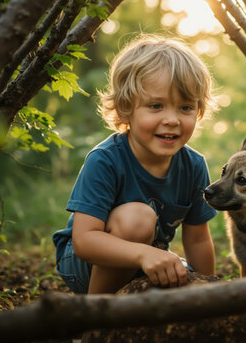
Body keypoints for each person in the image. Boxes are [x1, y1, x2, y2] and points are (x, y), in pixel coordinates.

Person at [52, 35, 218, 294]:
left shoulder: (193, 165)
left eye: (185, 108)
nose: (172, 119)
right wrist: (142, 254)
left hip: (144, 260)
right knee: (137, 219)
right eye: (156, 106)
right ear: (125, 109)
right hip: (87, 262)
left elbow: (197, 239)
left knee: (181, 275)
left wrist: (210, 295)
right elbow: (84, 241)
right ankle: (93, 323)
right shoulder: (106, 160)